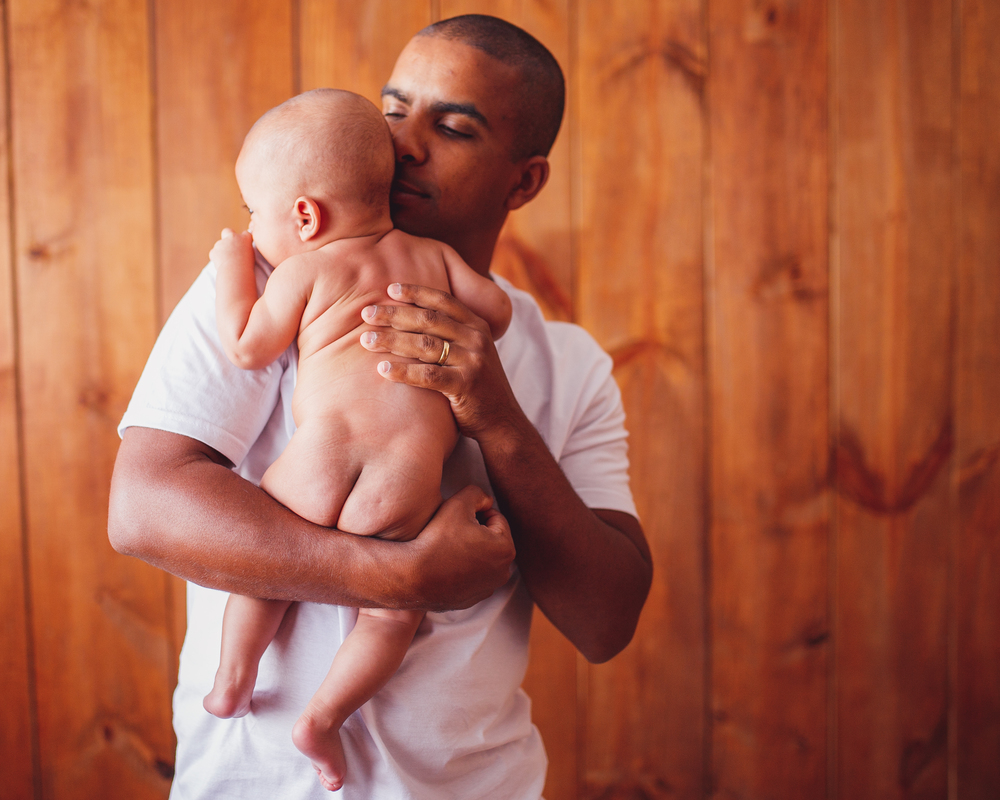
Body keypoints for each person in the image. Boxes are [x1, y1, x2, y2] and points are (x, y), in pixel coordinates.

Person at [109, 14, 653, 800]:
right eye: (394, 109)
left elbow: (607, 623)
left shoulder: (570, 364)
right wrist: (399, 577)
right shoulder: (269, 281)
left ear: (524, 182)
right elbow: (140, 509)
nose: (404, 143)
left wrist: (496, 417)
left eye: (453, 127)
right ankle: (242, 682)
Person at [204, 87, 512, 792]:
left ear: (304, 217)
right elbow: (495, 312)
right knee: (390, 616)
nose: (250, 229)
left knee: (265, 575)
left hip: (317, 462)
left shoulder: (305, 269)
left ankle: (232, 678)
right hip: (406, 481)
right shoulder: (434, 259)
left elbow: (248, 346)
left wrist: (230, 269)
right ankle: (323, 719)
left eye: (254, 214)